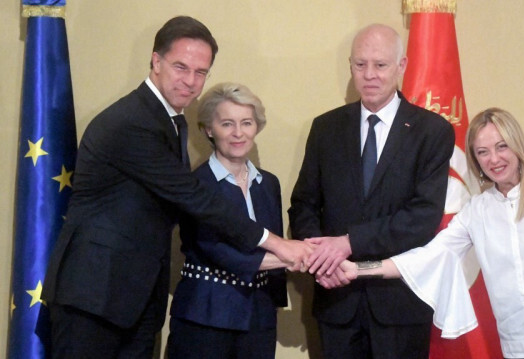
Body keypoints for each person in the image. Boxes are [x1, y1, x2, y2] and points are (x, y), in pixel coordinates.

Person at [41, 16, 309, 359]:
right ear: (156, 61)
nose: (191, 81)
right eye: (181, 67)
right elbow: (194, 197)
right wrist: (279, 245)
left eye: (201, 72)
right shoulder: (131, 121)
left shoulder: (170, 120)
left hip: (133, 300)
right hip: (94, 298)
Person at [335, 108, 524, 359]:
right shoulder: (478, 210)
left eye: (502, 147)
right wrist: (357, 270)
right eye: (482, 152)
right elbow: (429, 257)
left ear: (517, 146)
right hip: (520, 347)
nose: (494, 159)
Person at [288, 24, 455, 358]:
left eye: (380, 65)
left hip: (400, 306)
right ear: (350, 66)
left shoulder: (432, 131)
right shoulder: (325, 128)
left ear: (401, 65)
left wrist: (348, 243)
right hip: (336, 301)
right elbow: (303, 205)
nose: (370, 75)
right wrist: (324, 261)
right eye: (360, 64)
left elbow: (422, 218)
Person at [166, 83, 288, 359]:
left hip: (259, 319)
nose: (238, 133)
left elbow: (274, 243)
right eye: (227, 124)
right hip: (205, 317)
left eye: (246, 123)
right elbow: (221, 253)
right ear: (209, 129)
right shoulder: (195, 185)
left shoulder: (268, 184)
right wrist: (299, 256)